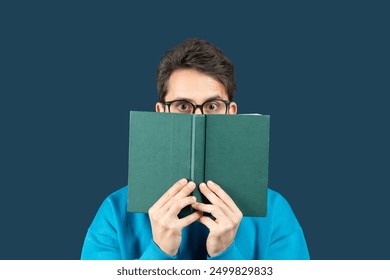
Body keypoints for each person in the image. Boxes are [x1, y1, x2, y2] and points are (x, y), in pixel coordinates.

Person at [81, 38, 310, 260]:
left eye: (212, 106)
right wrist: (159, 252)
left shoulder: (275, 211)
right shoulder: (114, 211)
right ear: (161, 112)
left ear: (231, 113)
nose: (198, 117)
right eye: (182, 106)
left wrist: (225, 254)